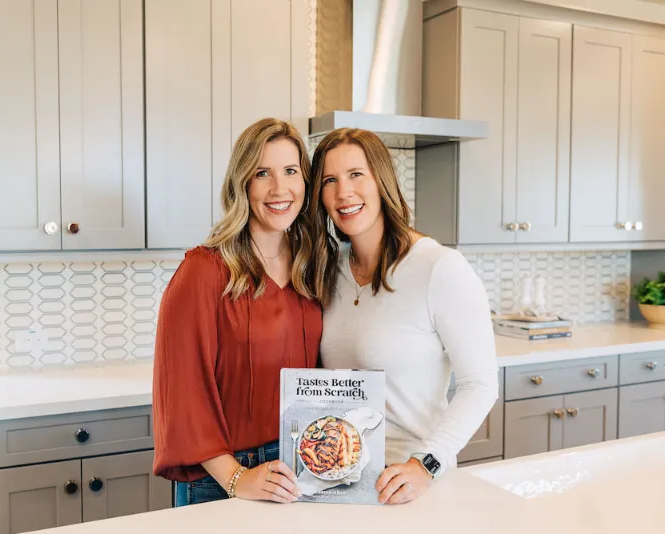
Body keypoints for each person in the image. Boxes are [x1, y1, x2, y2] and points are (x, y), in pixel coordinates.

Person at [309, 128, 498, 505]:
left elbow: (480, 385)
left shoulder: (439, 267)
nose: (344, 192)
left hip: (412, 487)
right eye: (330, 180)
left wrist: (426, 464)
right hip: (340, 482)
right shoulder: (328, 271)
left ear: (383, 181)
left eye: (356, 174)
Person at [152, 118, 322, 507]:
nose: (280, 189)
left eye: (291, 171)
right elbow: (182, 391)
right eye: (263, 173)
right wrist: (236, 478)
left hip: (297, 470)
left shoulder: (310, 269)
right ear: (242, 184)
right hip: (221, 479)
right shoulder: (205, 270)